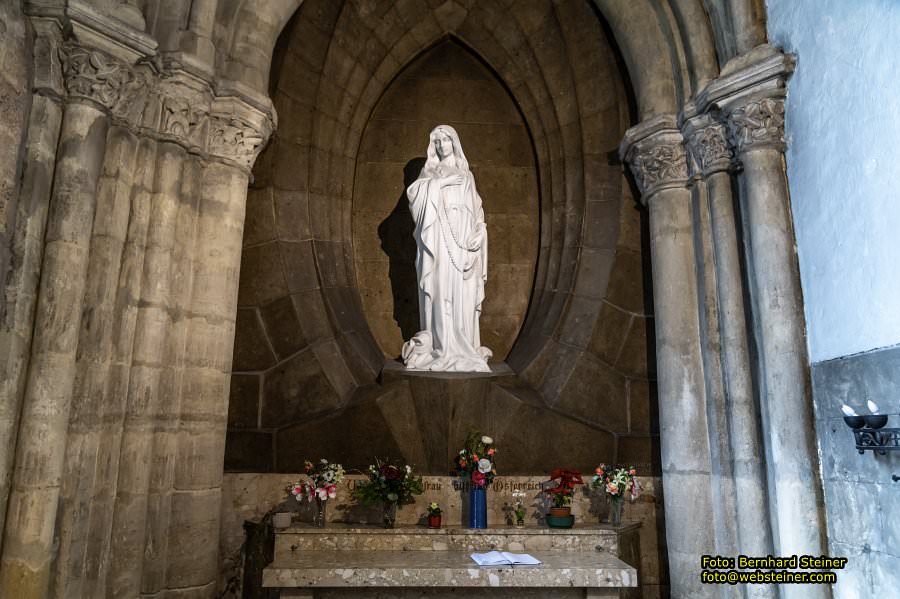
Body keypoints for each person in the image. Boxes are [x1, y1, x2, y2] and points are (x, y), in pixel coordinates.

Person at [401, 125, 492, 372]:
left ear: (454, 143)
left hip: (462, 242)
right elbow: (415, 198)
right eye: (437, 142)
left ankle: (463, 345)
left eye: (445, 141)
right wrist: (443, 183)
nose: (441, 146)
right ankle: (441, 345)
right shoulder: (429, 172)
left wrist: (479, 232)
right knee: (440, 289)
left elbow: (477, 210)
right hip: (439, 241)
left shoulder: (467, 175)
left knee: (462, 292)